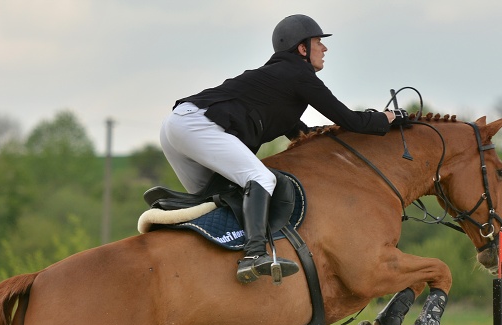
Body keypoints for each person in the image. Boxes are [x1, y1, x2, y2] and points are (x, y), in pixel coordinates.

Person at [159, 14, 406, 284]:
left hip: (177, 127)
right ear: (302, 48)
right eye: (318, 42)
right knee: (262, 178)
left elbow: (306, 135)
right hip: (195, 126)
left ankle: (196, 259)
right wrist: (386, 119)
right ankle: (254, 256)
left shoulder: (280, 81)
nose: (325, 49)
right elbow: (348, 119)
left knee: (215, 202)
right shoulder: (298, 74)